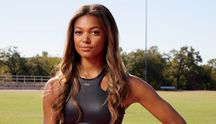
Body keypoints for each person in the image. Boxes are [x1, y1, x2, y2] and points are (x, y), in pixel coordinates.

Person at [43, 4, 186, 124]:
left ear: (108, 36)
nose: (85, 39)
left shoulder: (126, 85)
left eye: (95, 32)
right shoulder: (55, 87)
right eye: (79, 32)